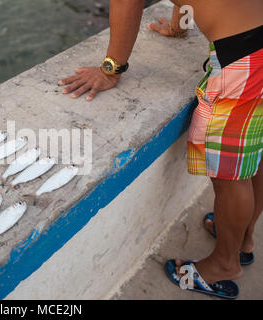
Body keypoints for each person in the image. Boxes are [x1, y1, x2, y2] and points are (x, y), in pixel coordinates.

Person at [58, 0, 263, 299]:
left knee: (230, 174)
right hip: (253, 39)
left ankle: (225, 264)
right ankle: (242, 238)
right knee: (250, 153)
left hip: (244, 55)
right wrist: (180, 27)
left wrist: (110, 69)